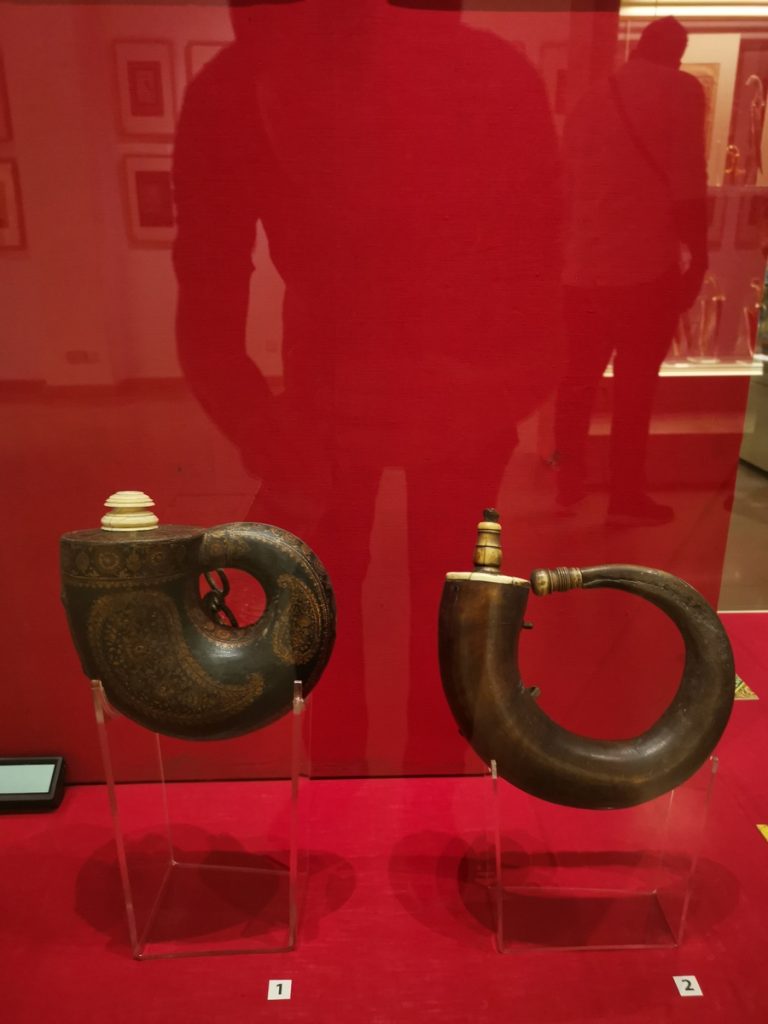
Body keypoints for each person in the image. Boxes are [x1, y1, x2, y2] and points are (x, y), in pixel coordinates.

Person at [553, 16, 708, 524]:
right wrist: (699, 257)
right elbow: (689, 180)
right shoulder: (682, 90)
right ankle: (625, 496)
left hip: (581, 271)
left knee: (577, 382)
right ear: (677, 52)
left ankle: (568, 481)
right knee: (635, 390)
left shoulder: (592, 98)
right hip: (644, 269)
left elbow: (565, 188)